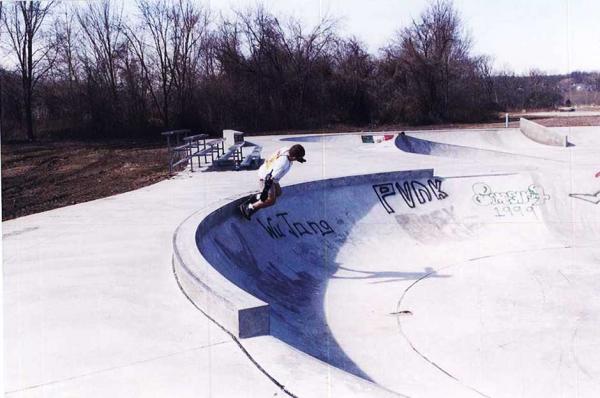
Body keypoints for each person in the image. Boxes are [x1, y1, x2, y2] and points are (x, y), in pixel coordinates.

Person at [240, 144, 306, 220]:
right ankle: (248, 207)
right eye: (297, 158)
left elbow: (292, 152)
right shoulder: (282, 164)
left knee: (278, 192)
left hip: (268, 172)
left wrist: (299, 159)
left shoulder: (287, 150)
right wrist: (265, 193)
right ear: (294, 157)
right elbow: (269, 178)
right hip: (265, 177)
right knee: (271, 200)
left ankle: (257, 197)